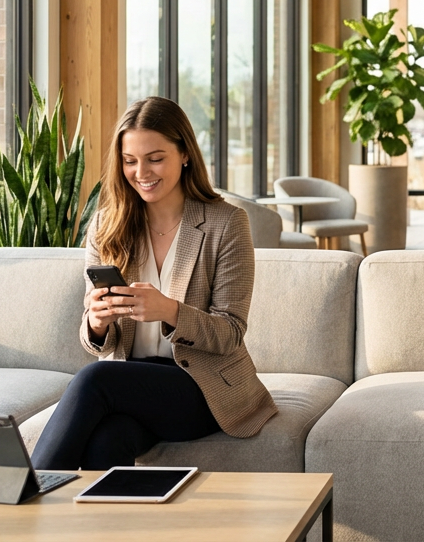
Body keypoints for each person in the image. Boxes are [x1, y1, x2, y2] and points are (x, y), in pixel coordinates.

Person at [32, 97, 277, 469]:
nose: (141, 171)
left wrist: (170, 311)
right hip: (132, 383)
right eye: (130, 161)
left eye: (155, 158)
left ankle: (24, 502)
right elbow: (95, 343)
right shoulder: (105, 226)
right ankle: (105, 527)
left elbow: (230, 332)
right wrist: (97, 323)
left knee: (95, 379)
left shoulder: (226, 223)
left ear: (184, 154)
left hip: (201, 387)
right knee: (105, 445)